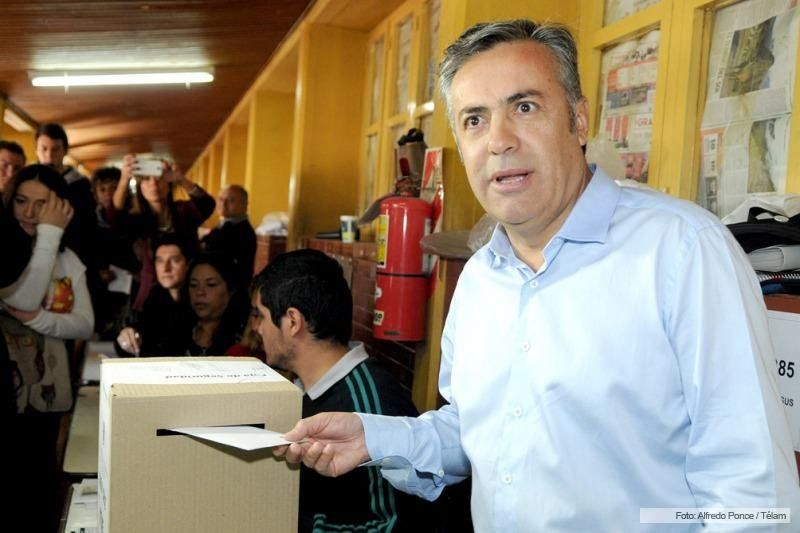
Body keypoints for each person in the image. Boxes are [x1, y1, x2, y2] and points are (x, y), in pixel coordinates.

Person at [276, 20, 800, 531]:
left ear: (579, 120)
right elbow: (479, 430)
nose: (499, 141)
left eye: (524, 107)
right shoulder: (479, 280)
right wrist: (374, 438)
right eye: (474, 120)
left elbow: (753, 493)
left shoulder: (684, 251)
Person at [252, 249, 435, 532]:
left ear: (292, 322)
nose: (257, 328)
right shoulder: (302, 389)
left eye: (260, 316)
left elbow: (397, 525)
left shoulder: (369, 402)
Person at [112, 153, 214, 310]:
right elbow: (114, 217)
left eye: (159, 178)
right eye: (146, 178)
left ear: (168, 184)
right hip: (152, 292)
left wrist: (181, 179)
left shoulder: (183, 211)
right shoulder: (137, 220)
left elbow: (207, 205)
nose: (154, 183)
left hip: (190, 287)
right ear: (140, 186)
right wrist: (124, 179)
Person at [115, 234, 194, 357]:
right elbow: (142, 330)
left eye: (174, 260)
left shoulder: (199, 299)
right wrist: (128, 336)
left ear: (188, 264)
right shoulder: (156, 296)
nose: (165, 268)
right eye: (160, 261)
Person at [185, 252, 248, 356]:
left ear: (231, 290)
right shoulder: (176, 332)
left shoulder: (244, 339)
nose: (199, 292)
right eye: (193, 285)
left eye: (211, 285)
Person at [201, 184, 257, 282]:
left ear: (244, 204)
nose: (223, 204)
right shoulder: (224, 224)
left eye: (231, 200)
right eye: (221, 199)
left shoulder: (243, 232)